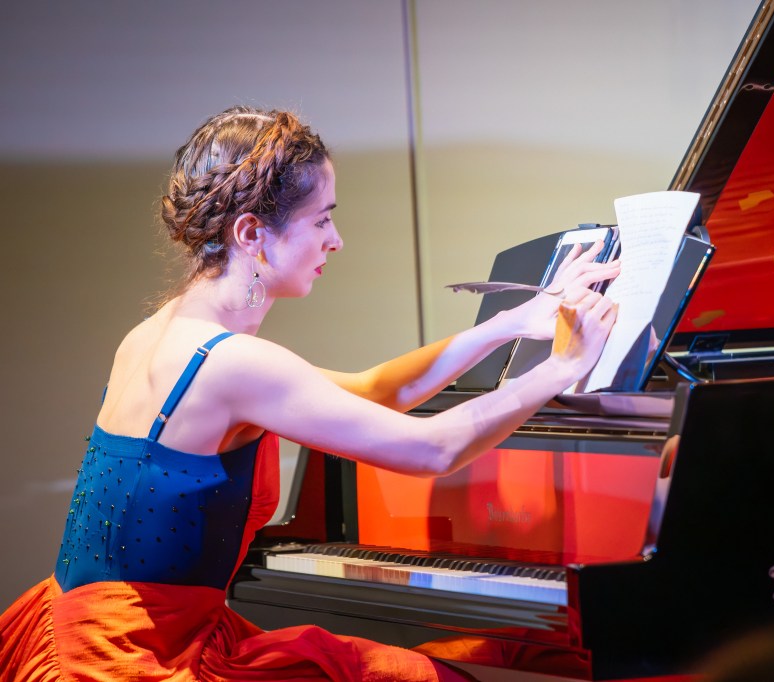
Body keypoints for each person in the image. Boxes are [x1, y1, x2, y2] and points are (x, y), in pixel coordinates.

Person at [0, 106, 619, 681]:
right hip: (138, 660)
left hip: (81, 632)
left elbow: (375, 391)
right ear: (251, 232)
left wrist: (511, 322)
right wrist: (561, 366)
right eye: (321, 219)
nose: (336, 239)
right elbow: (432, 450)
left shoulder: (156, 333)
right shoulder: (232, 364)